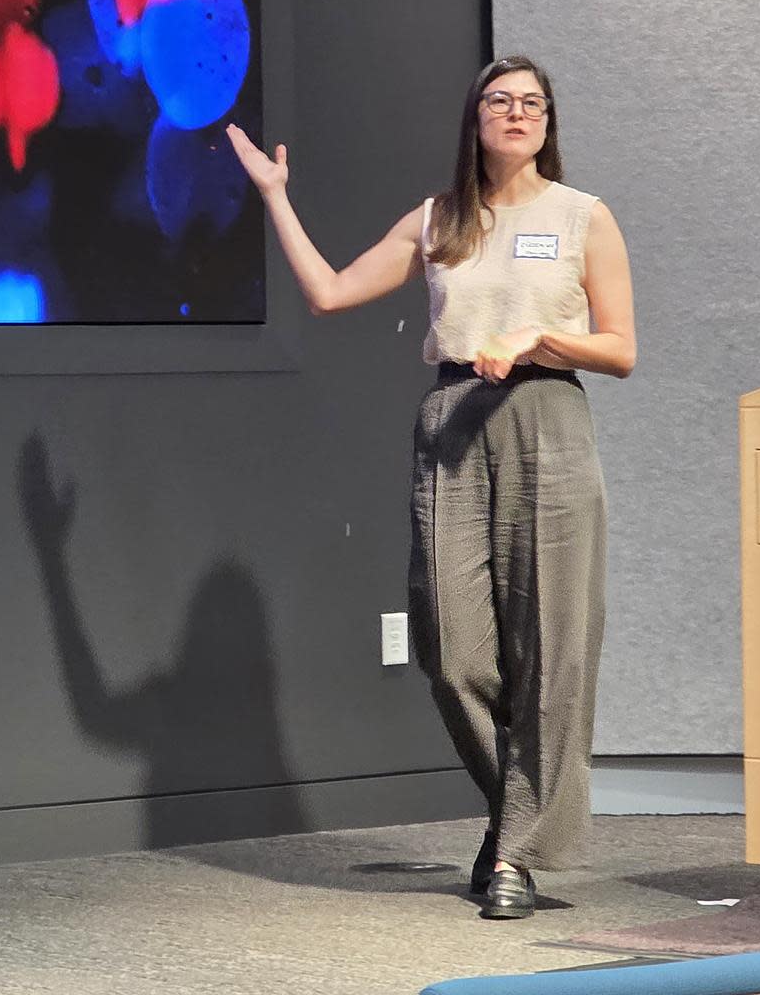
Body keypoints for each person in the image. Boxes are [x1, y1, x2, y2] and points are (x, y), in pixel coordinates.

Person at [225, 56, 636, 920]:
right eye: (501, 101)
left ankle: (515, 855)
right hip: (453, 421)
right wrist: (275, 197)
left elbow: (621, 349)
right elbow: (331, 293)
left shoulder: (582, 217)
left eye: (533, 102)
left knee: (552, 646)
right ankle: (513, 814)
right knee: (450, 650)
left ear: (548, 121)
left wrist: (538, 340)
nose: (518, 113)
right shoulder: (440, 218)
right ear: (475, 119)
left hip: (547, 419)